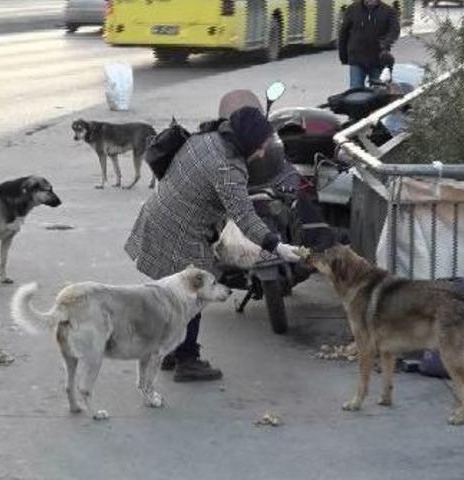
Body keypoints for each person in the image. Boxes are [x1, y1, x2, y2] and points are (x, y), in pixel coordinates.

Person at [125, 106, 303, 382]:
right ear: (247, 142)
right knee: (193, 294)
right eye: (259, 147)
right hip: (180, 234)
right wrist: (277, 246)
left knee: (173, 296)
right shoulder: (228, 167)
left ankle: (170, 350)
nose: (260, 154)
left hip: (159, 215)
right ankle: (188, 360)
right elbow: (245, 217)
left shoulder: (207, 137)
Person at [338, 0, 400, 89]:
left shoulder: (388, 11)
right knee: (356, 91)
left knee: (378, 91)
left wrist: (385, 43)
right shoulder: (353, 9)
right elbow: (344, 33)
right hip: (357, 59)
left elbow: (394, 31)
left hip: (378, 59)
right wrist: (343, 56)